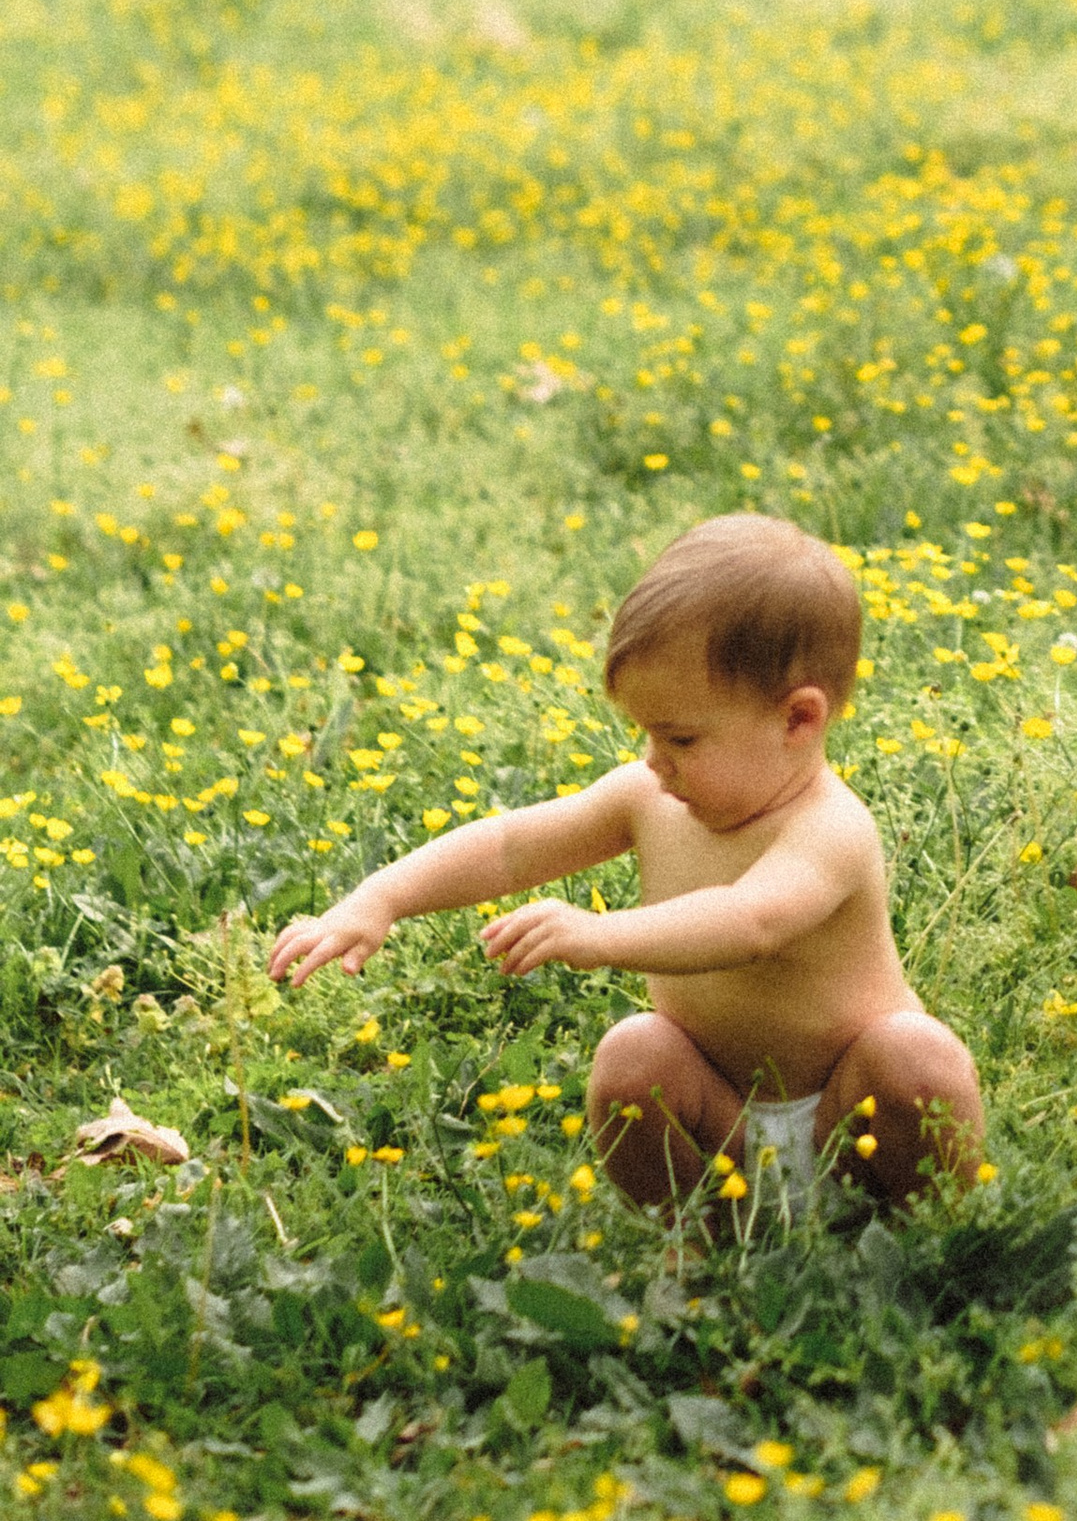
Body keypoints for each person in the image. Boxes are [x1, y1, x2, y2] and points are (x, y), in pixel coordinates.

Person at [267, 513, 985, 1207]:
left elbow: (751, 919)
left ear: (798, 719)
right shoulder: (650, 797)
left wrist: (599, 935)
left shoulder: (830, 829)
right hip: (722, 1118)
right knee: (632, 1056)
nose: (653, 760)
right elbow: (512, 844)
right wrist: (381, 897)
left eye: (681, 739)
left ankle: (926, 1233)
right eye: (645, 733)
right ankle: (699, 1236)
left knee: (917, 1056)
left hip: (850, 1112)